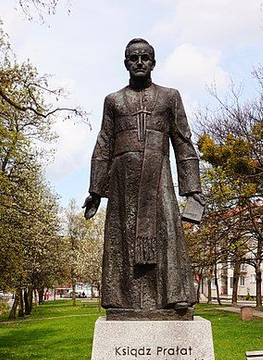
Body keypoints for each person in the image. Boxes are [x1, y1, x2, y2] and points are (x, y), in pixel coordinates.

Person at [83, 38, 204, 316]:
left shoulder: (169, 97)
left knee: (166, 235)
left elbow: (183, 142)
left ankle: (174, 297)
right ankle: (122, 299)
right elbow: (104, 143)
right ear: (126, 63)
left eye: (145, 58)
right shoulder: (113, 100)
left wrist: (192, 190)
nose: (139, 63)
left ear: (153, 62)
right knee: (122, 239)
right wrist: (96, 190)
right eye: (133, 58)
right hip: (122, 181)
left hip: (158, 177)